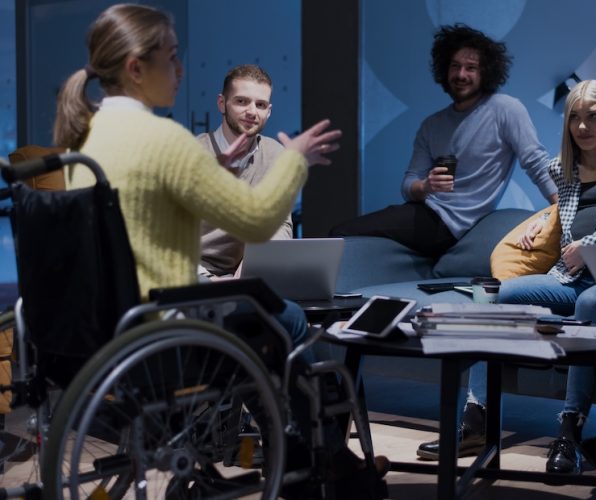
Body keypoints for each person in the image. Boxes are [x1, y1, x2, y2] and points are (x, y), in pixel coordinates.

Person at [53, 3, 386, 493]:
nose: (180, 69)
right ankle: (320, 459)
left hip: (107, 325)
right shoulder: (165, 140)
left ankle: (311, 458)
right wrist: (295, 161)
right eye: (172, 57)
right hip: (168, 324)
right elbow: (257, 219)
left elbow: (145, 223)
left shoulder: (85, 138)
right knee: (288, 322)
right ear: (136, 68)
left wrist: (214, 178)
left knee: (263, 322)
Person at [417, 80, 596, 469]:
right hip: (568, 278)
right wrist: (542, 221)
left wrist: (591, 244)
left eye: (593, 117)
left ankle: (569, 432)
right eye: (574, 118)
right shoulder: (562, 169)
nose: (582, 126)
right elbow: (563, 211)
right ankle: (476, 419)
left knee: (590, 303)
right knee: (492, 296)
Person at [330, 24, 557, 257]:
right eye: (455, 66)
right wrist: (426, 186)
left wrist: (562, 210)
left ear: (486, 72)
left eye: (471, 68)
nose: (461, 75)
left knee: (339, 234)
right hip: (424, 212)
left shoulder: (506, 109)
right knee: (344, 235)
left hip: (449, 225)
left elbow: (536, 163)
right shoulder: (431, 126)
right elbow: (408, 184)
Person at [197, 64, 293, 279]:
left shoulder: (276, 154)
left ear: (268, 111)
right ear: (222, 103)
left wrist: (256, 261)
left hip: (247, 273)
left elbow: (280, 223)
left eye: (260, 105)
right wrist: (209, 280)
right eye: (241, 101)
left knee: (299, 301)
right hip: (193, 272)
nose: (252, 112)